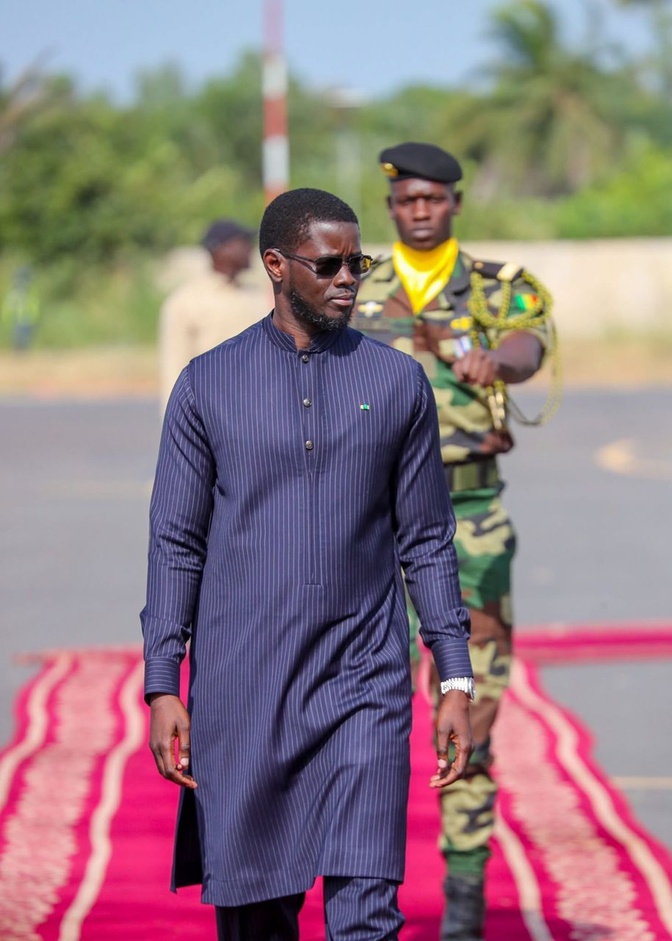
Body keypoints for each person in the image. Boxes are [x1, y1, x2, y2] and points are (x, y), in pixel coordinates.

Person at [141, 187, 475, 941]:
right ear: (275, 266)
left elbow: (425, 537)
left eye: (359, 261)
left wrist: (453, 673)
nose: (348, 278)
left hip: (365, 683)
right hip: (244, 688)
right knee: (258, 915)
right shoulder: (208, 385)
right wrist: (164, 679)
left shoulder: (395, 383)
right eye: (328, 264)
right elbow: (175, 541)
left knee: (367, 910)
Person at [353, 142, 556, 941]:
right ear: (393, 206)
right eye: (406, 201)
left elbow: (528, 349)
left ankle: (464, 900)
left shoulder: (503, 288)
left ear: (455, 202)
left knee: (468, 714)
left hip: (469, 524)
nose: (420, 211)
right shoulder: (355, 284)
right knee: (360, 717)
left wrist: (491, 358)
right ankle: (360, 897)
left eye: (433, 198)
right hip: (366, 531)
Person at [158, 218, 267, 411]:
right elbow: (173, 367)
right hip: (213, 411)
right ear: (222, 249)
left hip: (259, 407)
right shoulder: (186, 301)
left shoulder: (258, 296)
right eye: (243, 243)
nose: (250, 249)